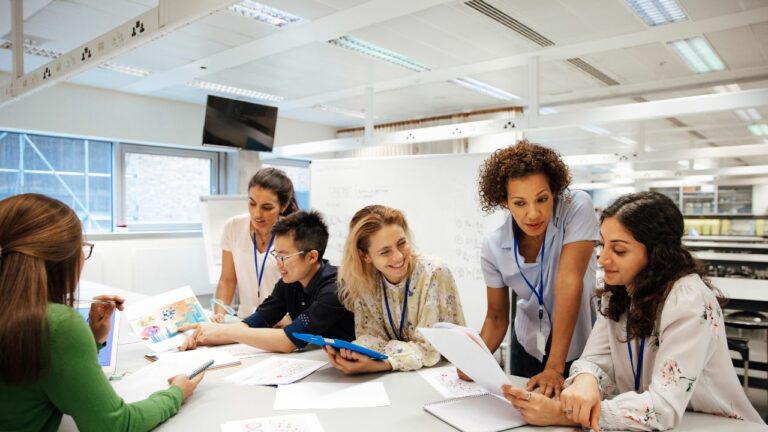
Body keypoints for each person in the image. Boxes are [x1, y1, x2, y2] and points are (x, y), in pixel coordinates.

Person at [501, 191, 765, 430]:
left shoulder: (688, 300)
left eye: (618, 250)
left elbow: (663, 408)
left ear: (656, 253)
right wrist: (585, 381)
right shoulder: (620, 291)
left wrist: (563, 413)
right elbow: (594, 359)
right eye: (602, 245)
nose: (603, 259)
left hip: (712, 424)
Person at [0, 193, 203, 432]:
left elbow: (37, 377)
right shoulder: (55, 324)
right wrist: (175, 394)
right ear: (61, 258)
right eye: (82, 248)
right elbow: (114, 425)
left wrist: (93, 339)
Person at [473, 140, 599, 397]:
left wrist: (554, 367)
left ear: (554, 191)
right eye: (520, 203)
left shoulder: (576, 207)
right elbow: (496, 317)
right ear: (504, 201)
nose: (533, 214)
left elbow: (569, 281)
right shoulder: (494, 246)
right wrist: (474, 362)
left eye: (542, 199)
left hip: (578, 341)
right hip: (528, 343)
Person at [179, 210, 354, 353]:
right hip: (321, 360)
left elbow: (288, 341)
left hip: (356, 371)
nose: (278, 264)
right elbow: (254, 322)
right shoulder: (290, 282)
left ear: (311, 256)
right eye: (276, 254)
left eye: (284, 257)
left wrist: (223, 331)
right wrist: (203, 335)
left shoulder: (335, 288)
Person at [324, 205, 466, 374]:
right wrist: (355, 353)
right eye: (385, 252)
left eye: (402, 243)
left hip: (441, 375)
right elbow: (369, 339)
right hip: (394, 377)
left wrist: (381, 363)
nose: (398, 256)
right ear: (365, 256)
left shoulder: (434, 272)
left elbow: (429, 349)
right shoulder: (365, 281)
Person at [213, 167, 299, 321]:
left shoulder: (294, 235)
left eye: (267, 208)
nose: (257, 214)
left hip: (280, 324)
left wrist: (290, 319)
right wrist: (219, 315)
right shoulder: (233, 227)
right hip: (245, 322)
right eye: (252, 203)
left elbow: (301, 288)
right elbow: (227, 280)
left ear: (283, 206)